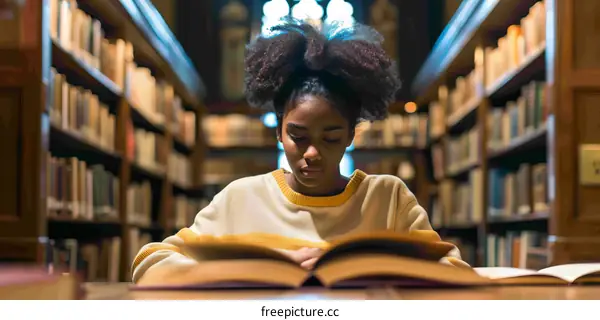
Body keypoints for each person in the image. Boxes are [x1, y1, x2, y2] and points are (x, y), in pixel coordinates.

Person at [131, 19, 468, 284]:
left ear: (351, 135)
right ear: (278, 132)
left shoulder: (388, 198)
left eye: (331, 138)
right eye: (298, 136)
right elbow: (150, 266)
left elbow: (453, 271)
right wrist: (256, 272)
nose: (312, 153)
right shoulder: (240, 198)